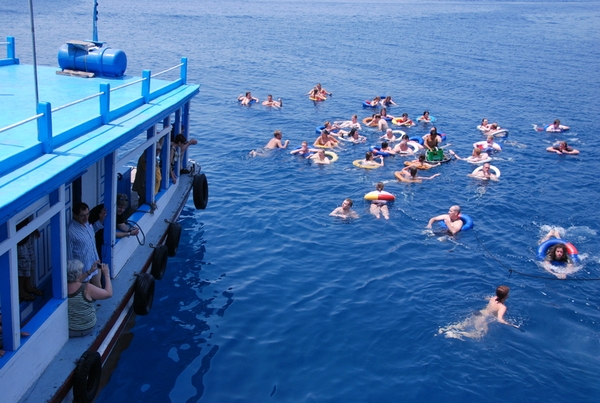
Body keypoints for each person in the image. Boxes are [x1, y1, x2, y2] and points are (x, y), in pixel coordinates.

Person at [438, 285, 518, 340]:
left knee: (463, 324)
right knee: (478, 335)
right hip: (484, 318)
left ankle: (446, 328)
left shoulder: (494, 298)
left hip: (479, 313)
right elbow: (500, 319)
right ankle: (458, 334)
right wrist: (511, 324)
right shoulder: (502, 307)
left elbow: (487, 298)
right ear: (505, 296)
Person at [67, 259, 112, 337]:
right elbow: (108, 294)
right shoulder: (87, 288)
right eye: (81, 270)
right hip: (87, 327)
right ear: (78, 273)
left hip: (71, 330)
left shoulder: (63, 289)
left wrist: (90, 271)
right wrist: (106, 275)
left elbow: (75, 280)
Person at [67, 202, 104, 287]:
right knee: (86, 294)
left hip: (94, 262)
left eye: (87, 214)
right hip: (83, 269)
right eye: (82, 215)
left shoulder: (86, 224)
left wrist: (100, 221)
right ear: (75, 215)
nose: (86, 217)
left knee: (98, 288)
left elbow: (91, 233)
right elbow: (69, 256)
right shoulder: (70, 231)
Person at [17, 217, 42, 301]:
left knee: (31, 261)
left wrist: (33, 227)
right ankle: (21, 291)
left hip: (26, 234)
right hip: (18, 240)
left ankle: (28, 286)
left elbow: (26, 214)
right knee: (24, 264)